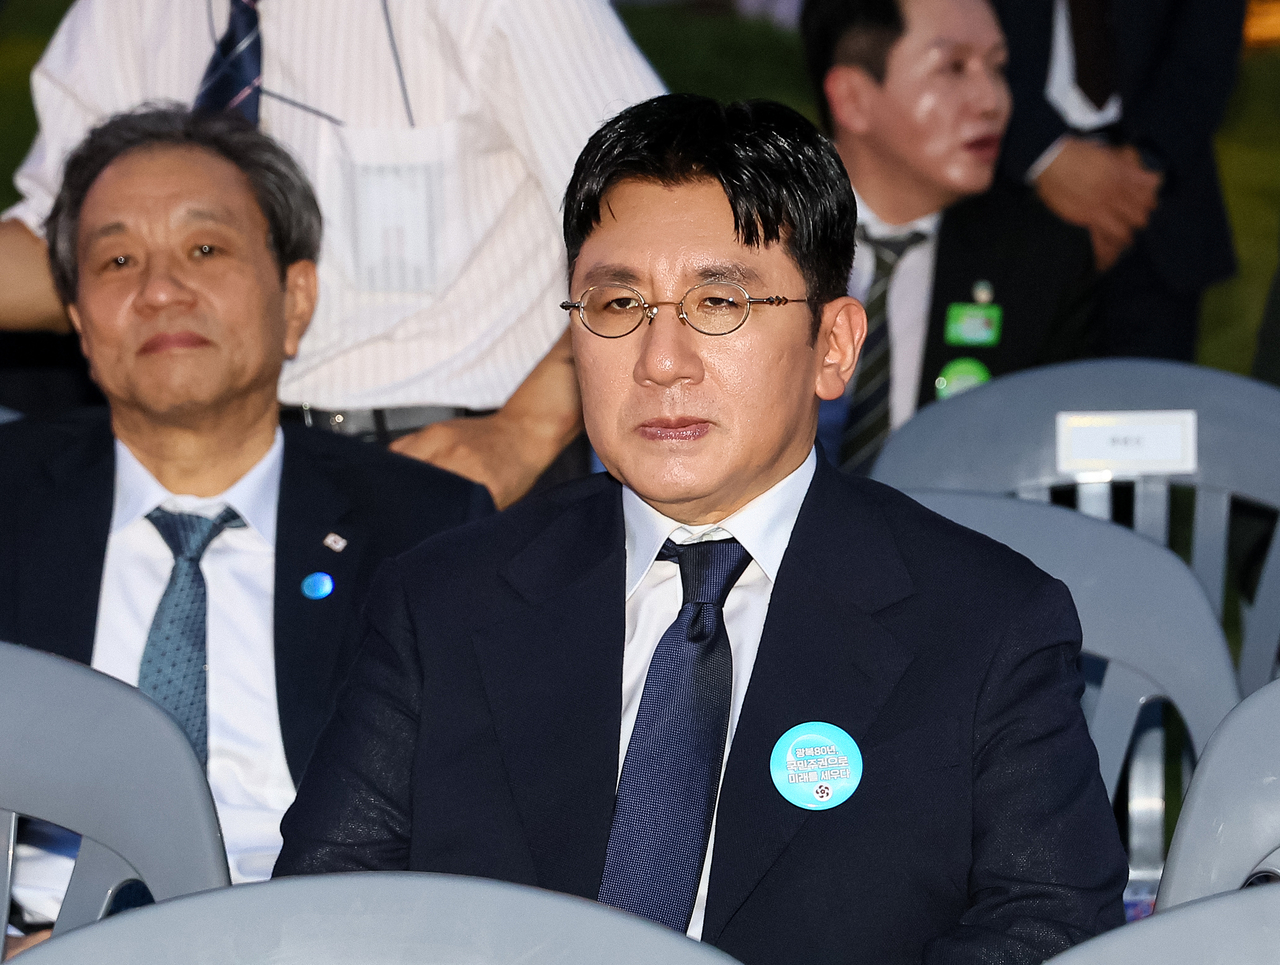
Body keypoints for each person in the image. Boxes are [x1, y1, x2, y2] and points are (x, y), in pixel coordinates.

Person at [275, 94, 1128, 965]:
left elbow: (1049, 931)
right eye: (618, 306)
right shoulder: (441, 603)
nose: (662, 360)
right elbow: (325, 914)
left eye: (718, 302)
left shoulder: (985, 624)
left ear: (832, 345)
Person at [0, 107, 490, 955]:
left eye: (205, 250)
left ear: (294, 296)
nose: (160, 289)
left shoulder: (424, 528)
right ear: (79, 319)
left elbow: (463, 824)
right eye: (117, 259)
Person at [0, 0, 665, 506]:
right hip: (211, 467)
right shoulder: (124, 13)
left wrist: (528, 431)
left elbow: (662, 208)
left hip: (453, 465)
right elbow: (59, 243)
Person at [801, 0, 1097, 473]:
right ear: (853, 99)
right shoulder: (749, 237)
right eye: (953, 68)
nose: (992, 100)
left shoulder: (1040, 259)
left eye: (997, 67)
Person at [993, 0, 1246, 360]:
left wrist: (1140, 172)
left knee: (1150, 404)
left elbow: (1210, 37)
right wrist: (1041, 152)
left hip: (1155, 216)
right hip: (997, 197)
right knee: (998, 406)